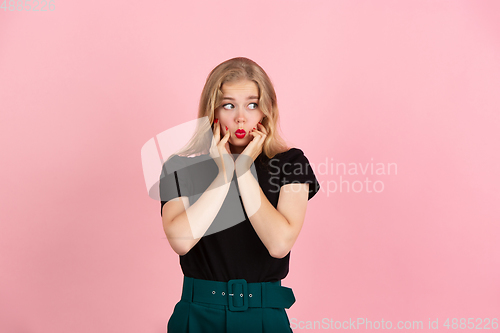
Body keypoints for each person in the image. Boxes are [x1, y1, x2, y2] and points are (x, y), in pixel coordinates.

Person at [159, 57, 320, 333]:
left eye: (252, 104)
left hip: (264, 317)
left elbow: (279, 244)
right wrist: (224, 175)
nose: (241, 117)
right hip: (197, 314)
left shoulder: (291, 163)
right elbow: (181, 241)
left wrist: (243, 170)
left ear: (266, 111)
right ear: (213, 110)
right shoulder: (180, 166)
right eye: (228, 105)